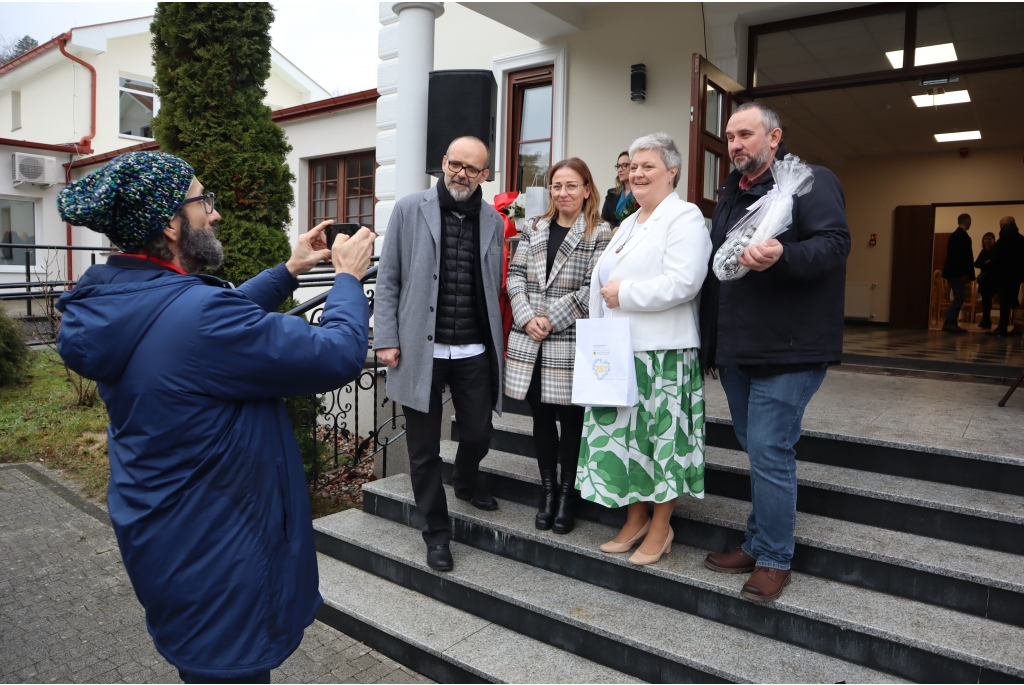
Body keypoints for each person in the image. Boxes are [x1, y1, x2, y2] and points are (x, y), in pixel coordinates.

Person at [54, 151, 376, 683]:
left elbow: (195, 327)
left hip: (177, 548)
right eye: (203, 201)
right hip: (221, 562)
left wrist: (289, 270)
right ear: (169, 224)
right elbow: (336, 353)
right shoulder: (196, 318)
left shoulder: (123, 298)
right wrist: (347, 279)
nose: (215, 213)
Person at [699, 103, 850, 603]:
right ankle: (759, 540)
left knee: (768, 448)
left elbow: (834, 244)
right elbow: (721, 273)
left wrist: (785, 255)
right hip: (742, 349)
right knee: (756, 444)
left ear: (774, 137)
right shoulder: (730, 193)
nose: (735, 143)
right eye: (729, 136)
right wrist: (715, 345)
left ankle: (773, 559)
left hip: (790, 349)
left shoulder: (810, 181)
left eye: (746, 134)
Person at [577, 133, 712, 566]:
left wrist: (626, 294)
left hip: (663, 355)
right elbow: (603, 283)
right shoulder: (630, 222)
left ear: (671, 171)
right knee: (627, 442)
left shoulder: (685, 217)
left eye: (647, 166)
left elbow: (685, 281)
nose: (636, 173)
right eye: (632, 166)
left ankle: (661, 526)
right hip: (621, 353)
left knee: (662, 443)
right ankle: (635, 519)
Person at [373, 136, 506, 572]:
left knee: (479, 433)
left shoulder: (494, 221)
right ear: (444, 163)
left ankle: (466, 480)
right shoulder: (411, 209)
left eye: (472, 168)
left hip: (472, 349)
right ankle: (437, 533)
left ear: (486, 175)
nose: (461, 174)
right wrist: (386, 338)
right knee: (423, 450)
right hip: (418, 351)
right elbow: (389, 278)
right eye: (455, 164)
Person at [504, 158, 612, 534]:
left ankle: (568, 495)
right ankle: (547, 492)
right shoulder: (534, 227)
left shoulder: (600, 233)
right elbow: (515, 275)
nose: (562, 193)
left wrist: (551, 317)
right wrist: (526, 315)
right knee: (541, 420)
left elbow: (593, 289)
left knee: (571, 421)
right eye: (556, 186)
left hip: (569, 342)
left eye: (571, 185)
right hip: (529, 340)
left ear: (586, 189)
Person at [987, 216, 1024, 337]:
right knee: (1013, 300)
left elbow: (996, 257)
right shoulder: (1020, 239)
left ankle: (1002, 327)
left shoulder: (1003, 240)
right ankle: (1018, 327)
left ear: (1003, 225)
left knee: (1004, 301)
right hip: (1017, 275)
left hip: (1003, 275)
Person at [941, 213, 975, 333]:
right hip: (958, 272)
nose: (971, 224)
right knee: (960, 297)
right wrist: (965, 272)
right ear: (967, 221)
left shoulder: (954, 235)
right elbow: (963, 257)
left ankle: (952, 322)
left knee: (958, 296)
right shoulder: (963, 236)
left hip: (952, 271)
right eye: (970, 221)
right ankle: (949, 322)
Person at [600, 151, 636, 231]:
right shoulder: (611, 194)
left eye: (624, 165)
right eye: (618, 166)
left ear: (634, 166)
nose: (620, 169)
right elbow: (604, 221)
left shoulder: (641, 194)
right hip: (613, 238)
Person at [975, 231, 997, 329]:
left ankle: (987, 321)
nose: (987, 241)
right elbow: (976, 264)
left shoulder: (996, 251)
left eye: (989, 239)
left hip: (993, 279)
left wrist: (987, 264)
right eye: (985, 239)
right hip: (984, 279)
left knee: (988, 301)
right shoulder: (983, 252)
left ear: (993, 240)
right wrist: (985, 263)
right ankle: (985, 320)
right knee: (985, 301)